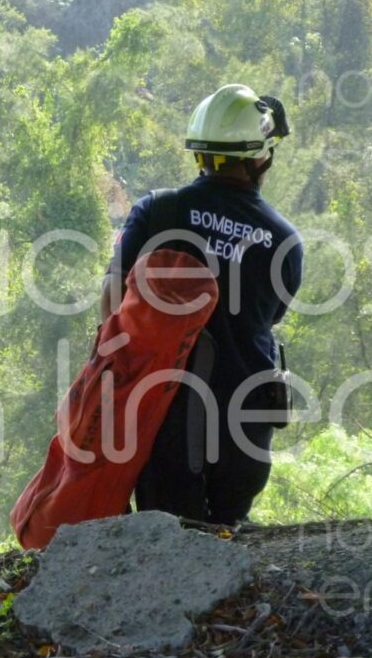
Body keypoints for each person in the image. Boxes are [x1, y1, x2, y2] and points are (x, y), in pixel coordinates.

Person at [100, 84, 304, 526]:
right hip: (244, 431)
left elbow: (111, 302)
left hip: (159, 421)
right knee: (224, 533)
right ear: (262, 155)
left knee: (163, 538)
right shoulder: (285, 241)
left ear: (199, 153)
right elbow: (268, 317)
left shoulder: (158, 212)